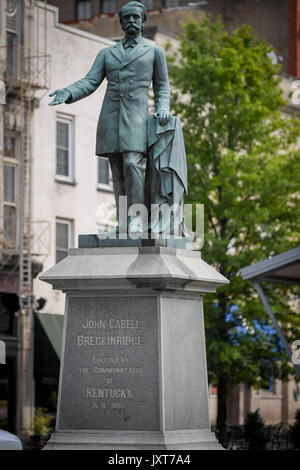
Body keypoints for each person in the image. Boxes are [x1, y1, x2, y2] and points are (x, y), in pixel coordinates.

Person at [49, 1, 171, 235]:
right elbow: (90, 81)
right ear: (121, 22)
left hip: (136, 116)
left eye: (136, 17)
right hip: (110, 115)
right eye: (126, 18)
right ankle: (124, 223)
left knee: (133, 163)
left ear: (144, 21)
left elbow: (162, 87)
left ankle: (137, 218)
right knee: (116, 170)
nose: (131, 21)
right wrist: (68, 92)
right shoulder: (107, 53)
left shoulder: (154, 52)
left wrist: (163, 108)